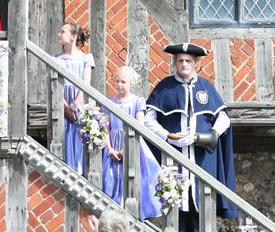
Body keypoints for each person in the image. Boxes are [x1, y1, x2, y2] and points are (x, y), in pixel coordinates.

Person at [145, 42, 238, 232]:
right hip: (173, 161)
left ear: (196, 63)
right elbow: (148, 119)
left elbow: (223, 118)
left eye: (188, 61)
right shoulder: (165, 87)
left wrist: (209, 135)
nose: (184, 64)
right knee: (175, 211)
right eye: (180, 61)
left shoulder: (206, 87)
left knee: (202, 213)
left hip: (203, 161)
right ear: (175, 63)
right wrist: (168, 137)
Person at [102, 66, 161, 220]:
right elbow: (105, 128)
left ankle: (133, 214)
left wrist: (126, 149)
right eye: (117, 81)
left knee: (134, 178)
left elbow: (139, 126)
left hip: (132, 144)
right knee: (113, 179)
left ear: (130, 83)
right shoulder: (109, 102)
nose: (119, 85)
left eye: (123, 82)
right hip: (113, 145)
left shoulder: (137, 102)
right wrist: (110, 149)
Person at [55, 21, 94, 175]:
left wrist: (75, 104)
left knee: (79, 141)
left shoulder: (85, 58)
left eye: (62, 31)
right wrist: (66, 107)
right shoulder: (57, 59)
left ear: (73, 37)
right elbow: (56, 85)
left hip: (78, 104)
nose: (59, 34)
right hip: (62, 103)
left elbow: (85, 84)